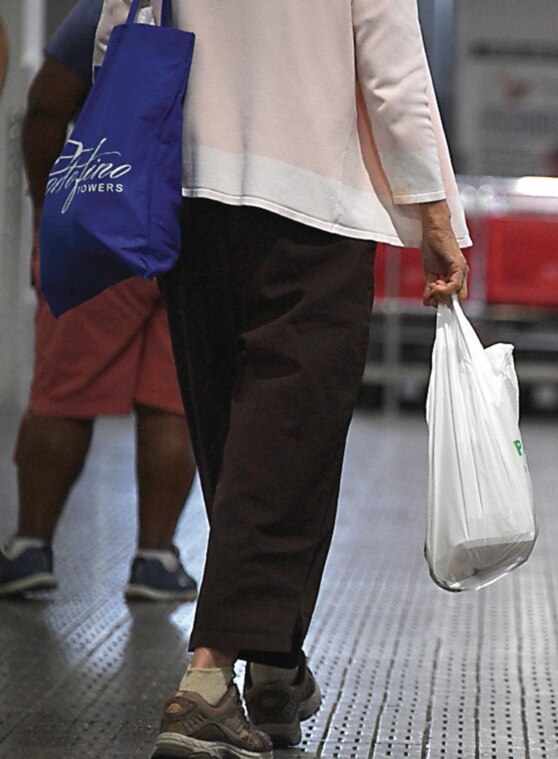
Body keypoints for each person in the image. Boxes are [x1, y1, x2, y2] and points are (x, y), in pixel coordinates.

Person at [96, 1, 471, 757]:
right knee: (289, 438)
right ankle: (210, 676)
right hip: (314, 204)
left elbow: (117, 33)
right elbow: (392, 64)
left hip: (188, 191)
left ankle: (273, 660)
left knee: (234, 437)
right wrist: (434, 210)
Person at [0, 0, 198, 602]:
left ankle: (31, 546)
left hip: (108, 217)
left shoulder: (116, 7)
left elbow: (47, 105)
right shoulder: (248, 24)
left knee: (64, 391)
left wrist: (48, 211)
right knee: (173, 398)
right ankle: (155, 558)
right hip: (197, 229)